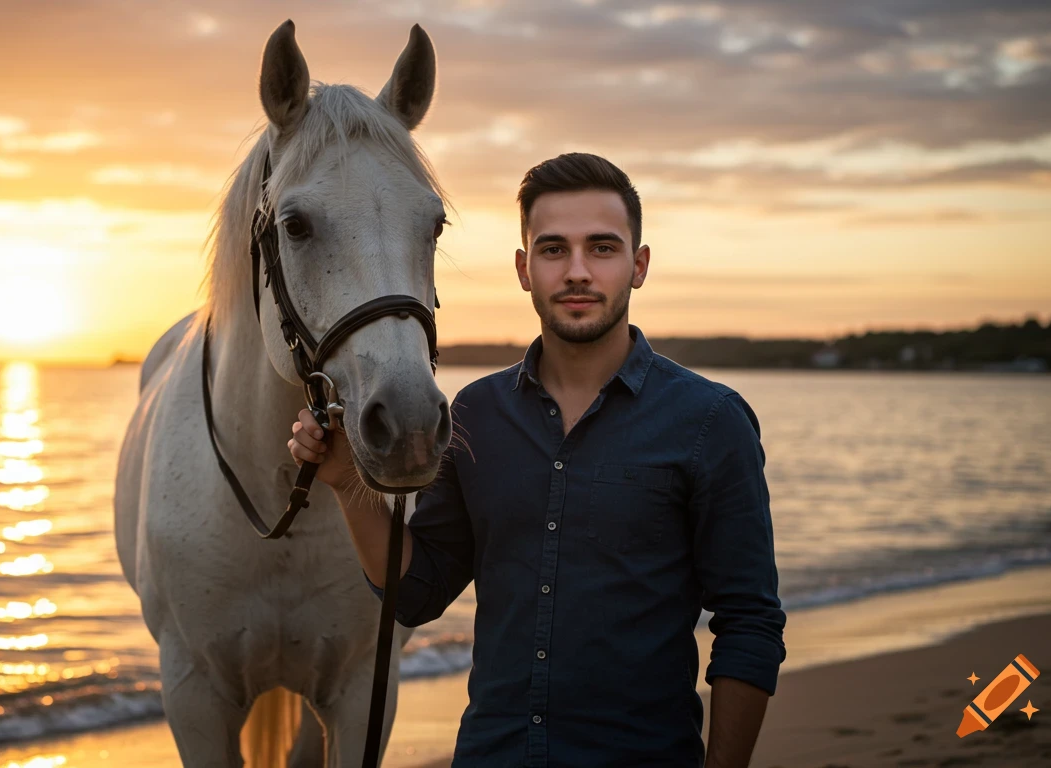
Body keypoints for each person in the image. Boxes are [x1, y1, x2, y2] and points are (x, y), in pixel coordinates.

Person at [288, 152, 786, 767]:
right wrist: (344, 482)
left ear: (640, 265)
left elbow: (749, 623)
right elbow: (417, 594)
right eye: (553, 250)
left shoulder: (710, 422)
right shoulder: (475, 415)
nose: (577, 271)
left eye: (602, 248)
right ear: (524, 269)